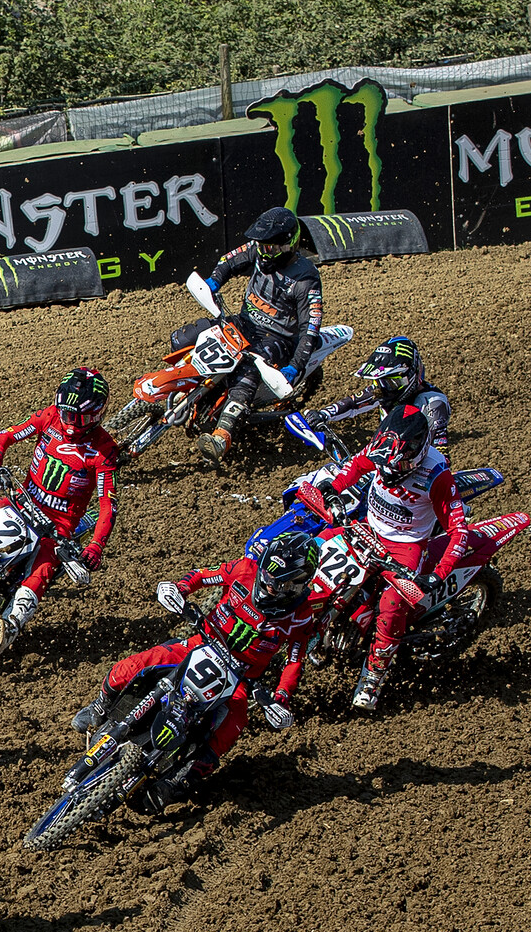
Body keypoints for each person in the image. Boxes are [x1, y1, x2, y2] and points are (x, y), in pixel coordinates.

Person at [71, 534, 326, 784]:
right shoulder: (244, 569)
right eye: (267, 576)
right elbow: (203, 575)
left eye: (279, 583)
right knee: (134, 666)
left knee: (232, 727)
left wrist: (280, 698)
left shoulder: (301, 615)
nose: (269, 585)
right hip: (201, 644)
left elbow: (295, 660)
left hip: (239, 679)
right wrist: (180, 589)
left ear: (298, 584)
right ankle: (99, 706)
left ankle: (178, 780)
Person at [0, 370, 119, 660]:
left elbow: (107, 505)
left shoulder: (104, 451)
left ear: (96, 415)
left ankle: (9, 625)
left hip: (56, 527)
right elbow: (9, 433)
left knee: (40, 573)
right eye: (66, 414)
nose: (69, 423)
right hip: (19, 501)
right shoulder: (50, 417)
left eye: (78, 418)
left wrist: (96, 546)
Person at [319, 406, 464, 712]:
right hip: (367, 527)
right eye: (384, 466)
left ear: (418, 452)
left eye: (399, 467)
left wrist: (438, 574)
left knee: (393, 606)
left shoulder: (437, 475)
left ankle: (373, 677)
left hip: (406, 546)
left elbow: (459, 531)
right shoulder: (383, 446)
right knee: (314, 552)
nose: (389, 472)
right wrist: (334, 489)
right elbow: (356, 465)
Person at [171, 207, 325, 461]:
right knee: (185, 338)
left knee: (247, 373)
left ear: (288, 245)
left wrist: (295, 366)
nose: (264, 252)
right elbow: (229, 261)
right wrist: (214, 281)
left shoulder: (305, 278)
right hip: (245, 322)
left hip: (278, 339)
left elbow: (310, 327)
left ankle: (222, 436)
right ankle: (184, 386)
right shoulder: (259, 248)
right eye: (262, 246)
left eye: (270, 247)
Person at [342, 336, 450, 449]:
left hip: (409, 456)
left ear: (410, 375)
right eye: (379, 382)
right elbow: (352, 402)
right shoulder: (382, 389)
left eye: (392, 382)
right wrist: (327, 414)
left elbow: (440, 452)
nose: (384, 388)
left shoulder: (433, 403)